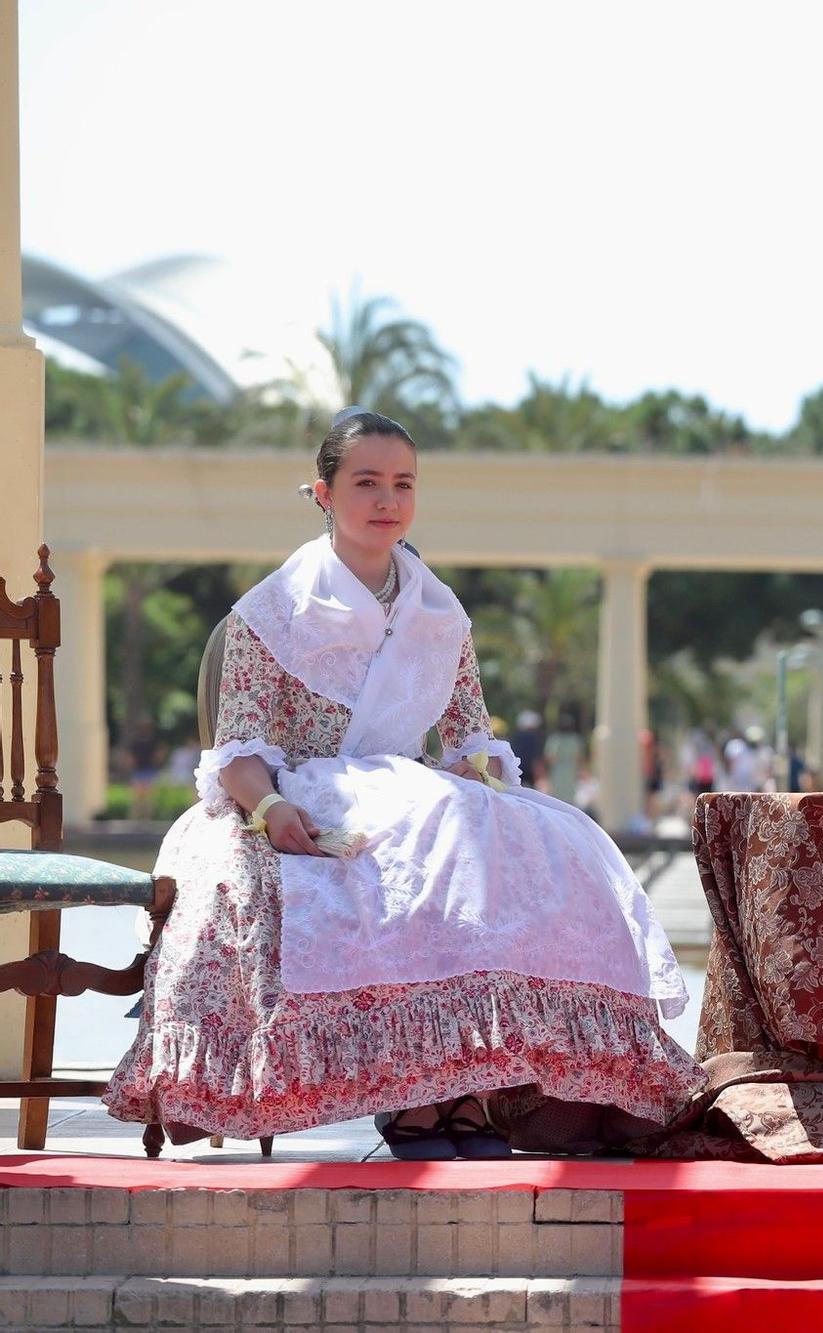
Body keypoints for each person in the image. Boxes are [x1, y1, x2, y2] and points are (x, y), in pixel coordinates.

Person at [102, 409, 701, 1159]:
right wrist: (275, 808)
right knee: (417, 844)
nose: (386, 499)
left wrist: (482, 795)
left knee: (545, 844)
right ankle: (418, 1106)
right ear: (323, 493)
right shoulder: (271, 613)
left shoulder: (440, 613)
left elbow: (467, 740)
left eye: (402, 483)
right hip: (302, 792)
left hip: (413, 791)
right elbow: (237, 756)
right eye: (366, 482)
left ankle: (476, 1090)